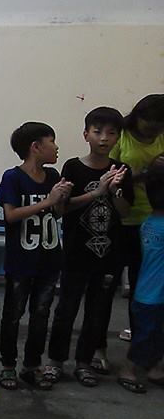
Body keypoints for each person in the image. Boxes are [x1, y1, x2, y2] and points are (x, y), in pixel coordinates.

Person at [47, 107, 132, 386]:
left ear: (118, 138)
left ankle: (84, 363)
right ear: (86, 135)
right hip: (75, 252)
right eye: (97, 132)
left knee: (97, 312)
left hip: (108, 255)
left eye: (111, 133)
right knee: (66, 309)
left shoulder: (122, 170)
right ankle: (56, 361)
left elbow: (125, 212)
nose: (104, 138)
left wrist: (115, 191)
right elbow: (61, 209)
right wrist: (96, 192)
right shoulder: (73, 167)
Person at [0, 122, 72, 391]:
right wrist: (48, 201)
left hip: (49, 259)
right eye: (52, 141)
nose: (57, 147)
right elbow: (10, 215)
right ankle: (8, 365)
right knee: (13, 315)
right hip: (21, 260)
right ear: (35, 147)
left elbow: (58, 213)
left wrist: (60, 199)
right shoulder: (13, 177)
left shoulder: (52, 175)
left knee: (41, 315)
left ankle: (31, 365)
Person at [110, 94, 164, 343]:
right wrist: (146, 172)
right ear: (137, 116)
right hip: (123, 216)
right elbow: (108, 175)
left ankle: (140, 334)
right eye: (148, 124)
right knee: (109, 282)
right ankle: (97, 343)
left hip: (154, 217)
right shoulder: (121, 136)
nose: (152, 130)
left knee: (144, 283)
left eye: (158, 126)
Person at [117, 162, 164, 394]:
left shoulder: (149, 223)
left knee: (155, 335)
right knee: (145, 337)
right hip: (153, 296)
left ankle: (155, 368)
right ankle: (128, 370)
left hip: (148, 293)